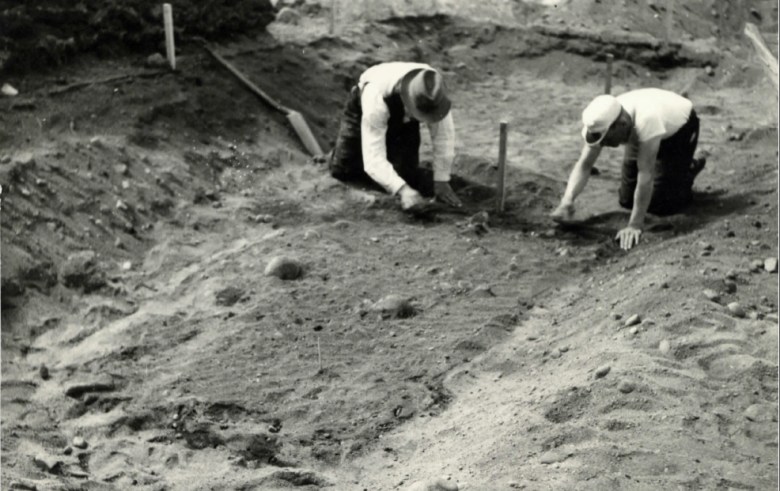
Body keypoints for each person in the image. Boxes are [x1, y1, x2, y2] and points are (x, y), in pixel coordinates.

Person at [550, 88, 706, 250]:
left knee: (663, 205)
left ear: (622, 125)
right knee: (626, 200)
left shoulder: (646, 120)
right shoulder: (603, 119)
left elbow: (646, 173)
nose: (602, 145)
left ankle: (686, 170)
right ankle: (675, 171)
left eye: (606, 139)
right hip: (640, 132)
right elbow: (585, 164)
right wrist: (567, 201)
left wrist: (635, 224)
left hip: (679, 130)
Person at [329, 62, 462, 210]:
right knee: (343, 170)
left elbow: (444, 138)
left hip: (404, 115)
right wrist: (403, 190)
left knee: (407, 175)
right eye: (418, 113)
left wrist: (441, 181)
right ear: (406, 99)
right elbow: (373, 159)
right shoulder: (375, 97)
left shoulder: (434, 93)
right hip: (364, 108)